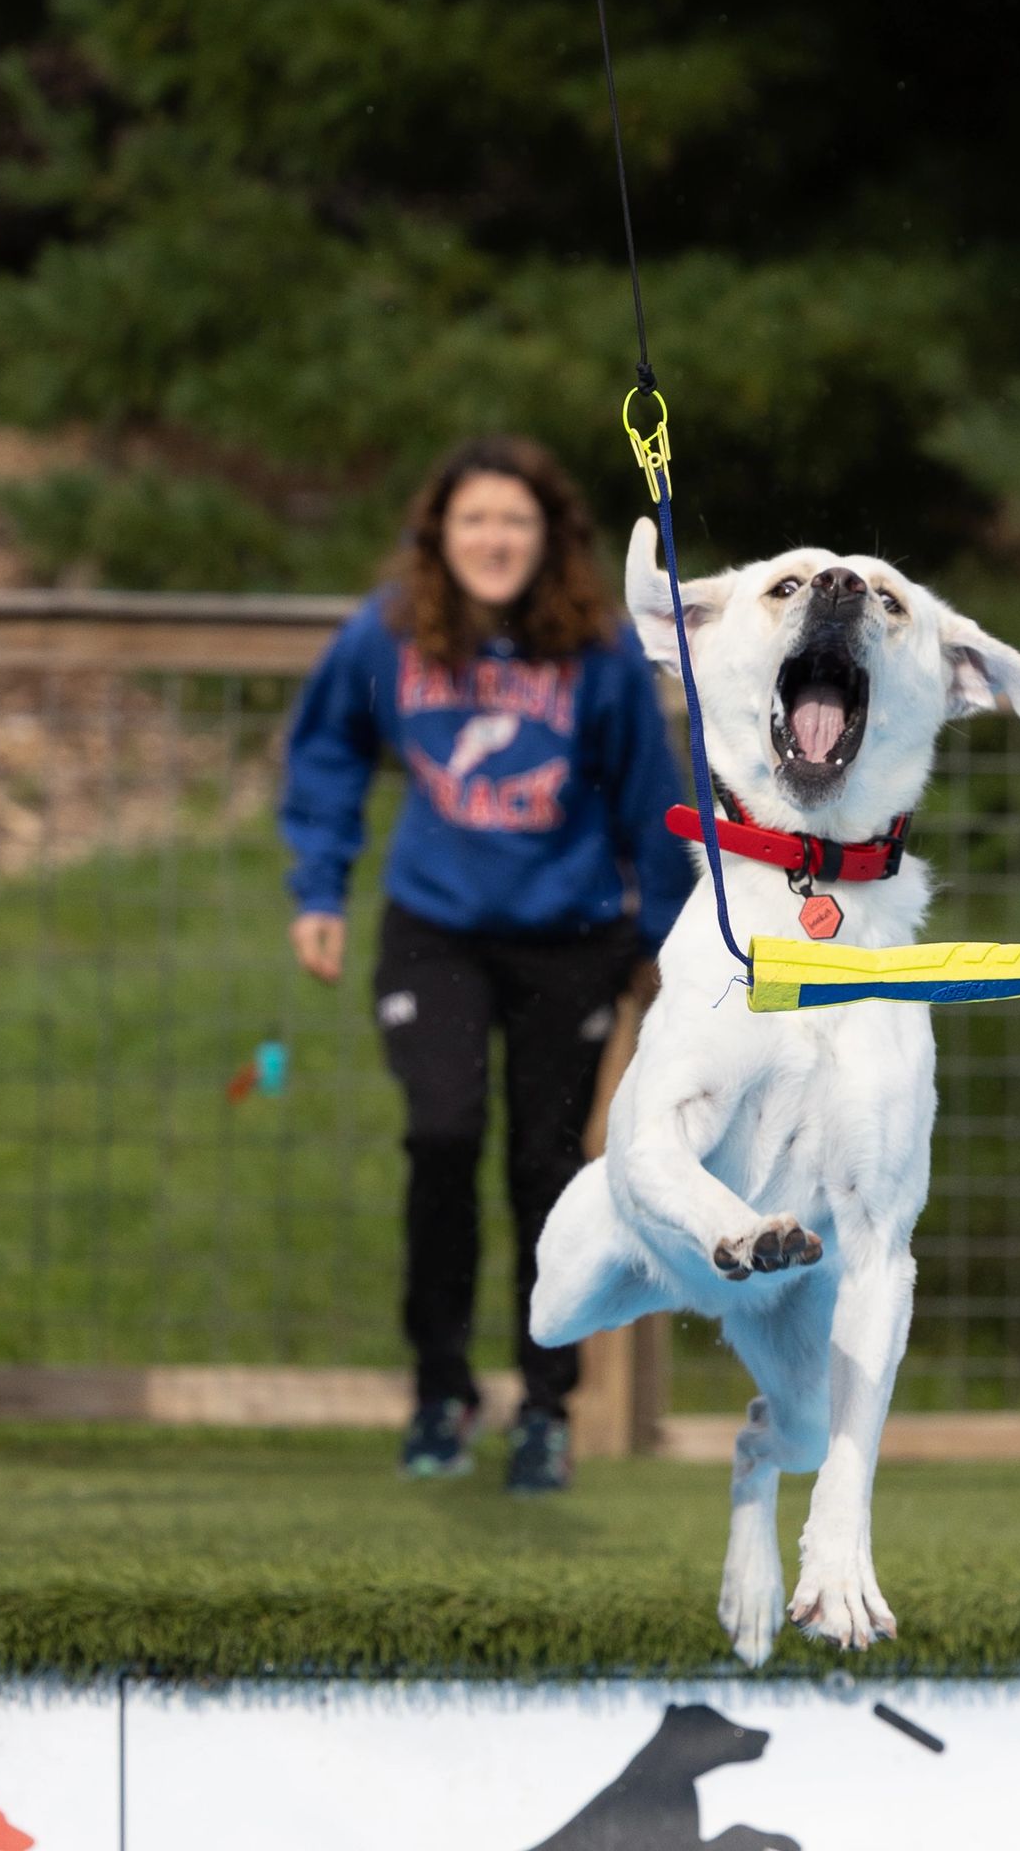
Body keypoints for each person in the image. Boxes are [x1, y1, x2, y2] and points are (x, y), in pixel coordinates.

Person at [280, 435, 691, 1490]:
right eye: (474, 520)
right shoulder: (390, 634)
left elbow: (651, 802)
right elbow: (326, 748)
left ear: (549, 536)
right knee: (443, 1133)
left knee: (549, 1171)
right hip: (438, 928)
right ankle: (440, 1389)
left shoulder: (597, 651)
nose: (495, 539)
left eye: (516, 520)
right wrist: (319, 888)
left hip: (573, 937)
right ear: (439, 535)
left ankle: (547, 1407)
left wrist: (674, 952)